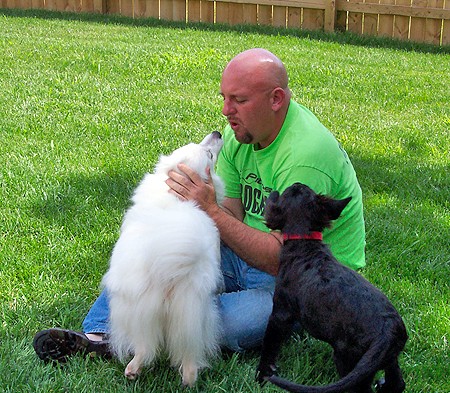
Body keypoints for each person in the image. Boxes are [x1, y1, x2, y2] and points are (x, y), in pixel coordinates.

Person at [33, 48, 365, 363]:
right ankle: (97, 336)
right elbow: (232, 215)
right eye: (224, 97)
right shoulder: (241, 134)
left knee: (243, 320)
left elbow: (282, 259)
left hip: (307, 277)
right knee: (153, 250)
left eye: (239, 100)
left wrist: (208, 210)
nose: (226, 110)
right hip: (248, 249)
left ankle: (167, 323)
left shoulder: (305, 156)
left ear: (276, 99)